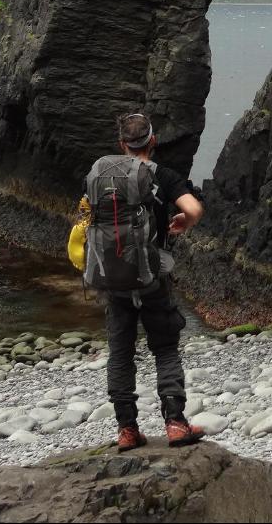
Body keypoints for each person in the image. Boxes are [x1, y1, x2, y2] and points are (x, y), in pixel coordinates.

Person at [72, 111, 206, 451]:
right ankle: (175, 423)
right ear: (152, 141)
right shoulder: (162, 175)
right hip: (151, 276)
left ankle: (127, 430)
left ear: (121, 144)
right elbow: (193, 209)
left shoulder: (100, 175)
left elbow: (86, 217)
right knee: (164, 347)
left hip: (112, 278)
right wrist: (181, 222)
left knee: (120, 352)